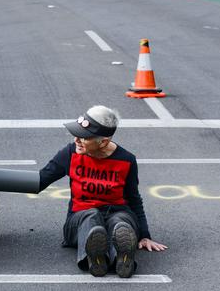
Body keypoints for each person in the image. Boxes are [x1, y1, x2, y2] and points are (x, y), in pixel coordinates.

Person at [38, 105, 167, 278]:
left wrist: (144, 235)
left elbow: (134, 199)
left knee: (120, 220)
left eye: (84, 137)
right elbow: (40, 180)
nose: (77, 139)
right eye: (77, 134)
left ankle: (122, 260)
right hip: (79, 219)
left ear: (103, 142)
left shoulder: (127, 160)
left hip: (118, 213)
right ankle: (95, 259)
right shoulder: (70, 153)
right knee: (91, 217)